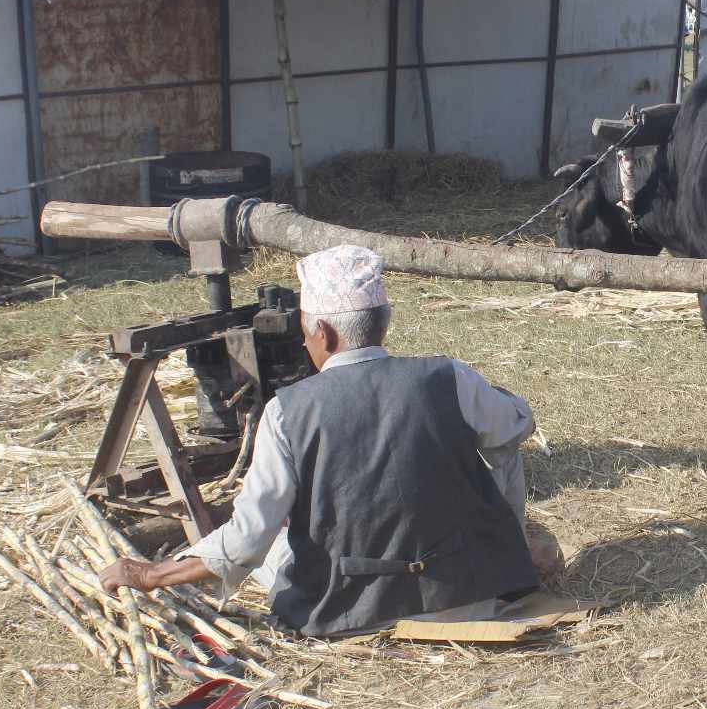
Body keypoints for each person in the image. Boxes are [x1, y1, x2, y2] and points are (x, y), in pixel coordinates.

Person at [99, 245, 556, 636]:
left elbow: (246, 542)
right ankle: (506, 555)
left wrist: (152, 574)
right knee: (502, 439)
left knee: (274, 543)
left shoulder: (285, 411)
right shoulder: (449, 377)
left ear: (323, 332)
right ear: (384, 320)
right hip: (468, 599)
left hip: (348, 612)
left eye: (304, 329)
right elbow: (518, 425)